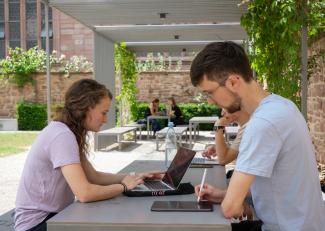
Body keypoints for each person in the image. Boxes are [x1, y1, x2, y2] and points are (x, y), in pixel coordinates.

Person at [190, 41, 325, 231]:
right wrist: (222, 194)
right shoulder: (283, 106)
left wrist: (231, 201)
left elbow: (230, 209)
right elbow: (273, 184)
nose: (210, 101)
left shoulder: (263, 123)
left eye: (210, 93)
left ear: (233, 82)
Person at [14, 79, 161, 231]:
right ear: (85, 108)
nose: (105, 119)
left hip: (54, 216)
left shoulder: (68, 132)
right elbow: (85, 193)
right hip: (38, 223)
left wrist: (135, 177)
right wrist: (123, 186)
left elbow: (94, 177)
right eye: (103, 113)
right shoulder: (62, 135)